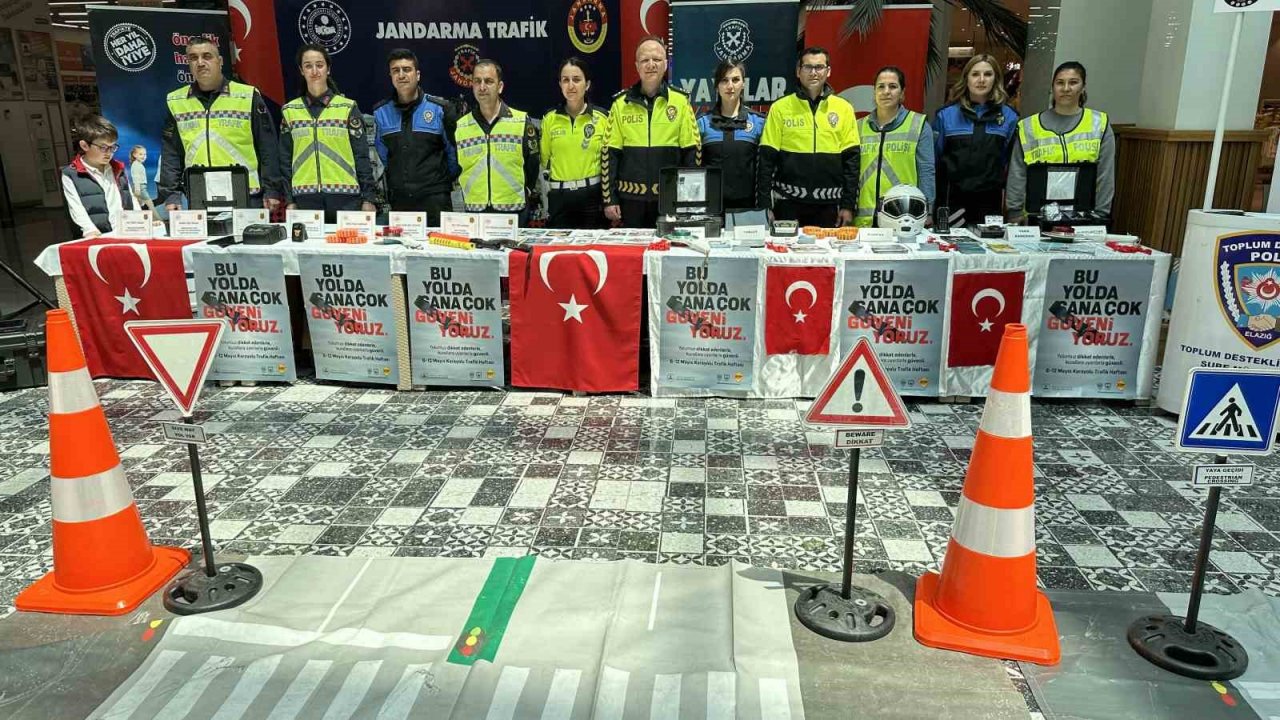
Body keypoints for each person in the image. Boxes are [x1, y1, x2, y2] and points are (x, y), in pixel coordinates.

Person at [159, 37, 283, 211]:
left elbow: (267, 147)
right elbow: (171, 152)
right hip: (200, 195)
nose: (200, 62)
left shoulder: (247, 96)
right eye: (193, 58)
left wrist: (272, 190)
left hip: (246, 194)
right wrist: (171, 194)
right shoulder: (176, 101)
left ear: (220, 61)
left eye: (207, 56)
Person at [602, 36, 699, 228]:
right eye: (645, 60)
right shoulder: (621, 104)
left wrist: (689, 199)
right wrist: (609, 198)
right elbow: (609, 155)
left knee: (669, 253)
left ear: (665, 64)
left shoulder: (680, 102)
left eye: (656, 59)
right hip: (630, 200)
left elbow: (692, 152)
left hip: (670, 200)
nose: (651, 65)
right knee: (632, 255)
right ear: (637, 65)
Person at [757, 47, 860, 227]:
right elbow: (766, 161)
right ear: (798, 71)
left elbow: (852, 163)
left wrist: (848, 205)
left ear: (828, 71)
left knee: (828, 255)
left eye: (819, 67)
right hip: (787, 204)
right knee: (783, 255)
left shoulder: (844, 109)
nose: (813, 72)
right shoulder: (780, 108)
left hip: (829, 207)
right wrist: (765, 206)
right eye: (808, 67)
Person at [1006, 61, 1114, 223]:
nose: (1066, 88)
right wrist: (1014, 211)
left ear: (1083, 87)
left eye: (1073, 82)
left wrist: (1100, 214)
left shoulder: (1099, 124)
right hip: (1036, 217)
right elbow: (1017, 173)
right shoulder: (1028, 127)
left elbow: (1105, 174)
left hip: (1083, 217)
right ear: (1052, 88)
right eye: (1060, 83)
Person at [279, 44, 377, 223]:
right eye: (308, 66)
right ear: (301, 70)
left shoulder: (347, 107)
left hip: (346, 198)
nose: (314, 70)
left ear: (328, 69)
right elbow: (285, 160)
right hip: (305, 199)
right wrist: (289, 200)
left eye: (319, 65)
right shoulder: (290, 111)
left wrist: (368, 198)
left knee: (349, 249)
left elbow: (362, 156)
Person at [373, 49, 460, 225]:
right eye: (396, 70)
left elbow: (454, 156)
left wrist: (437, 182)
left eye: (407, 69)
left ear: (417, 74)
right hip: (400, 201)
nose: (401, 75)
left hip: (435, 200)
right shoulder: (381, 112)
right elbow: (384, 155)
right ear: (390, 75)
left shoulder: (440, 109)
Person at [933, 53, 1019, 223]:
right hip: (952, 204)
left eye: (988, 74)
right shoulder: (946, 116)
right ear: (966, 79)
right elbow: (935, 162)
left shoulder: (1010, 117)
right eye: (975, 74)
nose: (981, 79)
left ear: (996, 79)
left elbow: (1009, 164)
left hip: (990, 204)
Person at [454, 59, 539, 219]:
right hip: (475, 212)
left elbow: (532, 164)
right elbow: (456, 167)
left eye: (489, 81)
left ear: (499, 87)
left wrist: (525, 191)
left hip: (513, 211)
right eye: (477, 81)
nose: (482, 87)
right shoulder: (461, 126)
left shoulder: (520, 121)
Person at [855, 66, 935, 227]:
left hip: (904, 218)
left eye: (893, 86)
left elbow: (926, 171)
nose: (886, 91)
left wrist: (928, 210)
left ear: (902, 93)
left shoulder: (918, 125)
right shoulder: (858, 126)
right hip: (863, 221)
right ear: (874, 92)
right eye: (881, 86)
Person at [540, 57, 609, 228]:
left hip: (592, 197)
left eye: (577, 80)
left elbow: (610, 163)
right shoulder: (549, 119)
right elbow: (543, 161)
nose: (571, 85)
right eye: (566, 80)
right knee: (560, 252)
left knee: (591, 251)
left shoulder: (602, 118)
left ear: (587, 85)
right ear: (560, 85)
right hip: (559, 198)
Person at [697, 60, 765, 213]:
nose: (730, 86)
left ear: (743, 84)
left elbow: (764, 171)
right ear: (716, 86)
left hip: (747, 209)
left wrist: (765, 207)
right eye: (724, 80)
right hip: (710, 209)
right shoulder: (702, 123)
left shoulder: (759, 122)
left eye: (735, 80)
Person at [62, 115, 136, 238]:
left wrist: (143, 221)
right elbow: (75, 207)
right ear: (85, 145)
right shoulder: (72, 174)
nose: (109, 153)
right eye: (103, 147)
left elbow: (131, 198)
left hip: (126, 233)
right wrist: (89, 229)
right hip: (97, 236)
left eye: (112, 147)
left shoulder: (118, 168)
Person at [127, 145, 155, 214]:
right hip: (140, 187)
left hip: (142, 187)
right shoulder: (136, 165)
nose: (143, 156)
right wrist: (137, 189)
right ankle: (157, 219)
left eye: (145, 154)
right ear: (134, 155)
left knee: (139, 205)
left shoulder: (139, 165)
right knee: (149, 204)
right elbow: (136, 178)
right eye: (140, 154)